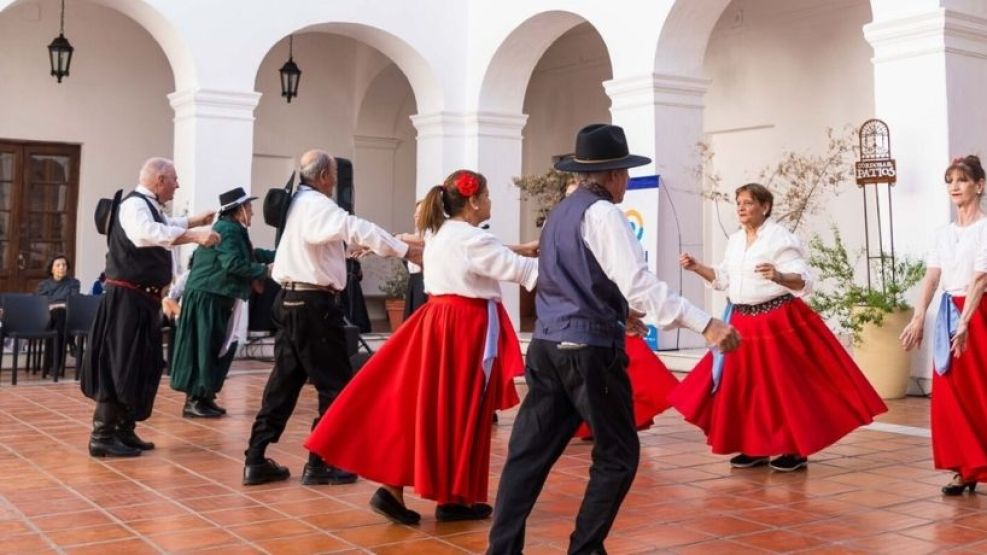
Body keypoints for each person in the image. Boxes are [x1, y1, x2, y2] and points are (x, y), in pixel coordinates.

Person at [487, 124, 740, 555]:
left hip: (547, 347)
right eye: (624, 173)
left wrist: (620, 313)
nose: (625, 181)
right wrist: (705, 324)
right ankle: (585, 549)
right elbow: (639, 284)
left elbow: (563, 279)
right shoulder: (603, 213)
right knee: (618, 454)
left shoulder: (558, 215)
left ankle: (502, 550)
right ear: (613, 175)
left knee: (527, 456)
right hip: (588, 353)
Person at [306, 170, 536, 525]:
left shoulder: (440, 234)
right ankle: (452, 496)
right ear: (473, 201)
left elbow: (501, 256)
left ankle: (433, 493)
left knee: (428, 407)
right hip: (465, 328)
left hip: (438, 322)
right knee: (460, 409)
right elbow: (521, 270)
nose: (491, 201)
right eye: (487, 195)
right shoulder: (473, 238)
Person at [671, 183, 886, 472]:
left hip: (776, 320)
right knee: (745, 386)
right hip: (741, 321)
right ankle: (755, 447)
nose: (741, 208)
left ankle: (794, 449)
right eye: (738, 203)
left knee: (784, 386)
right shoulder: (735, 240)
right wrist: (697, 267)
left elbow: (804, 279)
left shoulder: (779, 238)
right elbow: (723, 278)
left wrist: (779, 276)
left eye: (748, 202)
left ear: (765, 207)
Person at [242, 149, 422, 486]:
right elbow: (355, 227)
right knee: (335, 386)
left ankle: (255, 458)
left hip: (291, 301)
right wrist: (404, 250)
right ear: (324, 177)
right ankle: (320, 462)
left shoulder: (298, 204)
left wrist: (352, 250)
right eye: (334, 176)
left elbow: (325, 243)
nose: (336, 182)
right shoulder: (317, 205)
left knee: (283, 383)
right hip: (313, 306)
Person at [80, 157, 220, 458]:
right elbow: (146, 234)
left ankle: (124, 429)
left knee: (141, 364)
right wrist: (195, 236)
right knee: (119, 363)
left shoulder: (150, 207)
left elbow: (165, 225)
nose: (177, 185)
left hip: (143, 301)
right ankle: (102, 435)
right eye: (175, 180)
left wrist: (195, 221)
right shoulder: (133, 205)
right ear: (160, 180)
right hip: (125, 301)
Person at [901, 155, 987, 495]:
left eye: (962, 179)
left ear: (979, 186)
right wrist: (919, 315)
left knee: (980, 389)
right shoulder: (943, 233)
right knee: (952, 393)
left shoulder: (985, 229)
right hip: (950, 313)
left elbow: (981, 279)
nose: (955, 186)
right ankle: (964, 468)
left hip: (978, 314)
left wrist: (966, 322)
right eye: (950, 180)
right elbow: (933, 276)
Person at [169, 187, 275, 418]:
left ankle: (204, 396)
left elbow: (251, 255)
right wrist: (265, 271)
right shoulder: (227, 229)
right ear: (239, 210)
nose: (252, 212)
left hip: (215, 295)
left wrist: (280, 254)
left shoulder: (234, 229)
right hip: (207, 296)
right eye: (249, 207)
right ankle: (194, 400)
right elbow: (233, 263)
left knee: (214, 346)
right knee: (204, 347)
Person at [35, 254, 81, 376]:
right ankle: (70, 342)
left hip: (66, 317)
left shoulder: (73, 283)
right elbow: (41, 304)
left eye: (64, 265)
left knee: (60, 318)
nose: (62, 268)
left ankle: (52, 366)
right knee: (59, 317)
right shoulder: (44, 285)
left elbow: (73, 300)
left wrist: (57, 305)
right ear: (51, 268)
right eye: (58, 265)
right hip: (47, 318)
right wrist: (60, 305)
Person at [404, 200, 428, 319]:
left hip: (422, 282)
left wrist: (397, 237)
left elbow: (419, 240)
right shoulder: (417, 234)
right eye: (415, 214)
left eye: (418, 214)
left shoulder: (430, 234)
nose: (415, 217)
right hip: (413, 281)